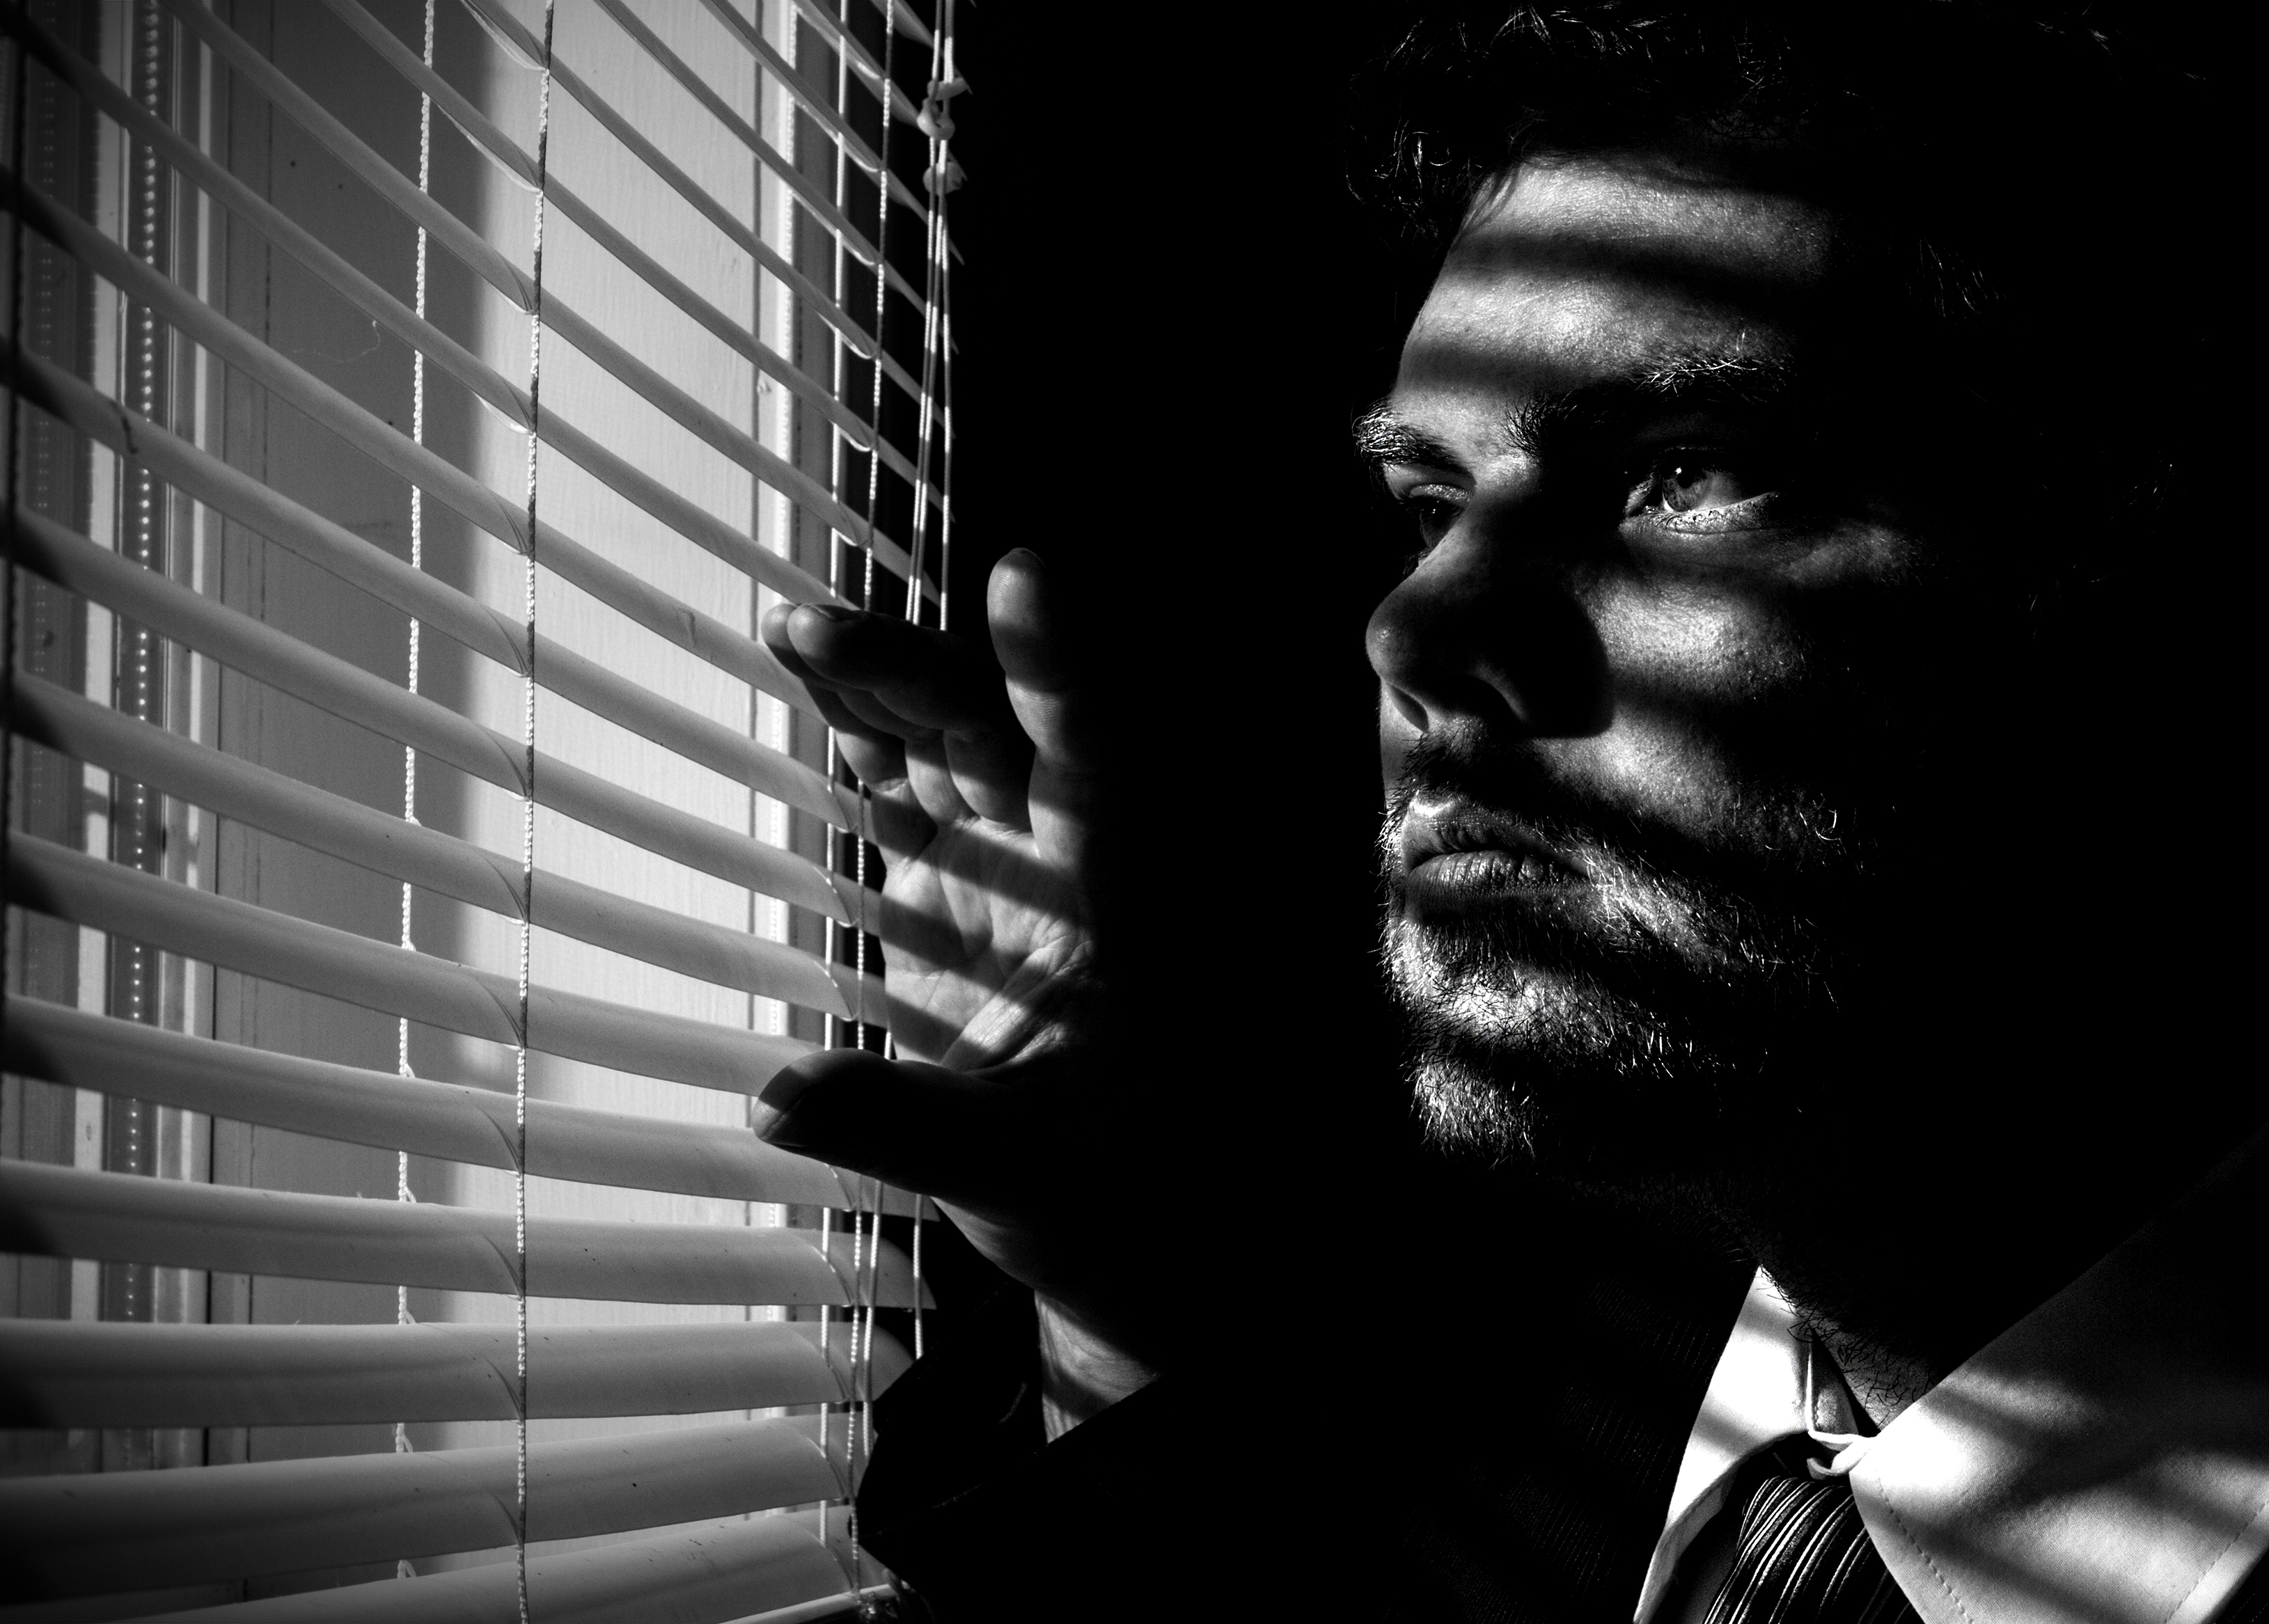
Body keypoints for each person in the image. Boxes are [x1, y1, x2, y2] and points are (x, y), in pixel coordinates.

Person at [755, 5, 2265, 1619]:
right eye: (1429, 506)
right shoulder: (1501, 1406)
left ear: (2148, 586)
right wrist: (1109, 1306)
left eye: (1683, 470)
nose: (1408, 630)